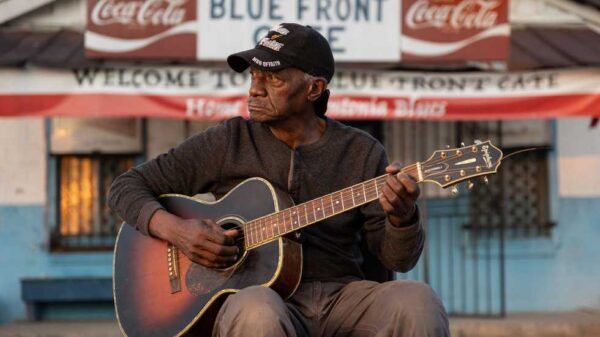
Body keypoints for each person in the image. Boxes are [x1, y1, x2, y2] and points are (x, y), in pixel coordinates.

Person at [109, 23, 450, 337]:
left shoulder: (361, 151)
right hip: (262, 301)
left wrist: (403, 218)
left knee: (418, 300)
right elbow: (125, 187)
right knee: (258, 312)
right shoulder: (229, 140)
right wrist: (178, 232)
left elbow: (398, 261)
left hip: (344, 297)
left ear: (314, 88)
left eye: (272, 79)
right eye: (253, 76)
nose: (254, 90)